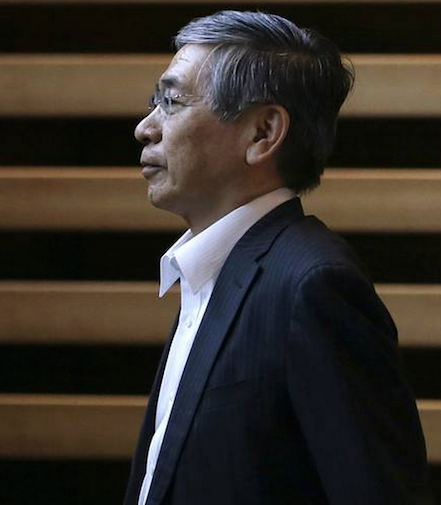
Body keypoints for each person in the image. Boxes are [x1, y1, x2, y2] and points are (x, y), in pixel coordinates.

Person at [124, 10, 431, 505]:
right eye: (153, 102)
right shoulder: (215, 270)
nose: (146, 128)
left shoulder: (313, 285)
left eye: (172, 102)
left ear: (263, 134)